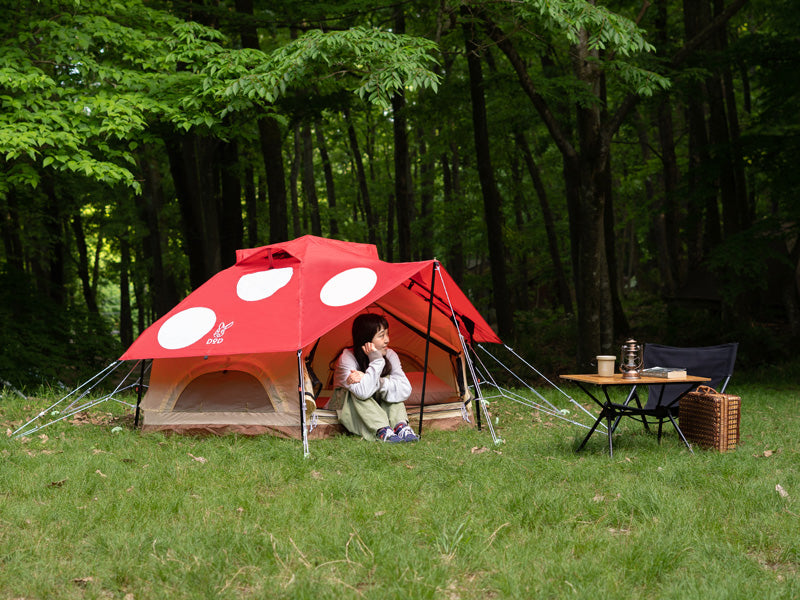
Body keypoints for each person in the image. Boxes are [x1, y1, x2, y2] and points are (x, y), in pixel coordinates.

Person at [332, 313, 419, 443]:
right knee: (357, 389)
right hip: (347, 407)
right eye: (381, 335)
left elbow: (405, 389)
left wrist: (379, 382)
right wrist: (376, 361)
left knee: (391, 383)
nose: (387, 340)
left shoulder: (390, 354)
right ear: (366, 340)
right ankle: (382, 430)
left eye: (387, 334)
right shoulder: (347, 358)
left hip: (375, 404)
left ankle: (400, 427)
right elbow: (362, 393)